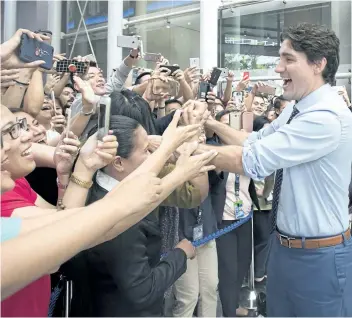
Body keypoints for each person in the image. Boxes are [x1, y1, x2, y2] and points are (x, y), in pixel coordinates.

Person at [193, 23, 352, 317]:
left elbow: (251, 160)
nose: (278, 68)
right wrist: (211, 123)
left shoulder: (326, 117)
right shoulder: (297, 108)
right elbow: (254, 141)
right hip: (284, 249)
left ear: (319, 64)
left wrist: (176, 150)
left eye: (288, 59)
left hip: (318, 257)